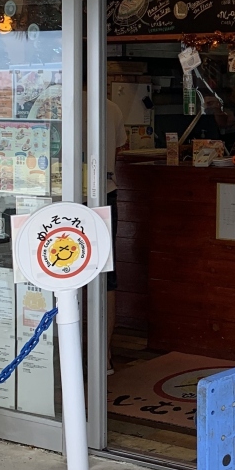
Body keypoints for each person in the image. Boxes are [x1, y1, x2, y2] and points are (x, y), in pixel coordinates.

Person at [106, 97, 127, 374]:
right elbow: (119, 148)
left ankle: (59, 356)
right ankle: (104, 356)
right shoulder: (111, 107)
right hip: (103, 193)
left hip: (60, 196)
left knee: (60, 276)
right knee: (105, 277)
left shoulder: (52, 103)